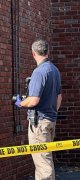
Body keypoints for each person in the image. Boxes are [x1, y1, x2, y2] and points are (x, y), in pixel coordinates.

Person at [14, 38, 62, 180]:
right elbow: (59, 97)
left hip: (39, 123)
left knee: (43, 164)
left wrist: (19, 102)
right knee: (45, 161)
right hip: (50, 120)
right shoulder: (54, 70)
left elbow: (34, 100)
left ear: (33, 53)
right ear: (47, 52)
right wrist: (52, 113)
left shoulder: (39, 72)